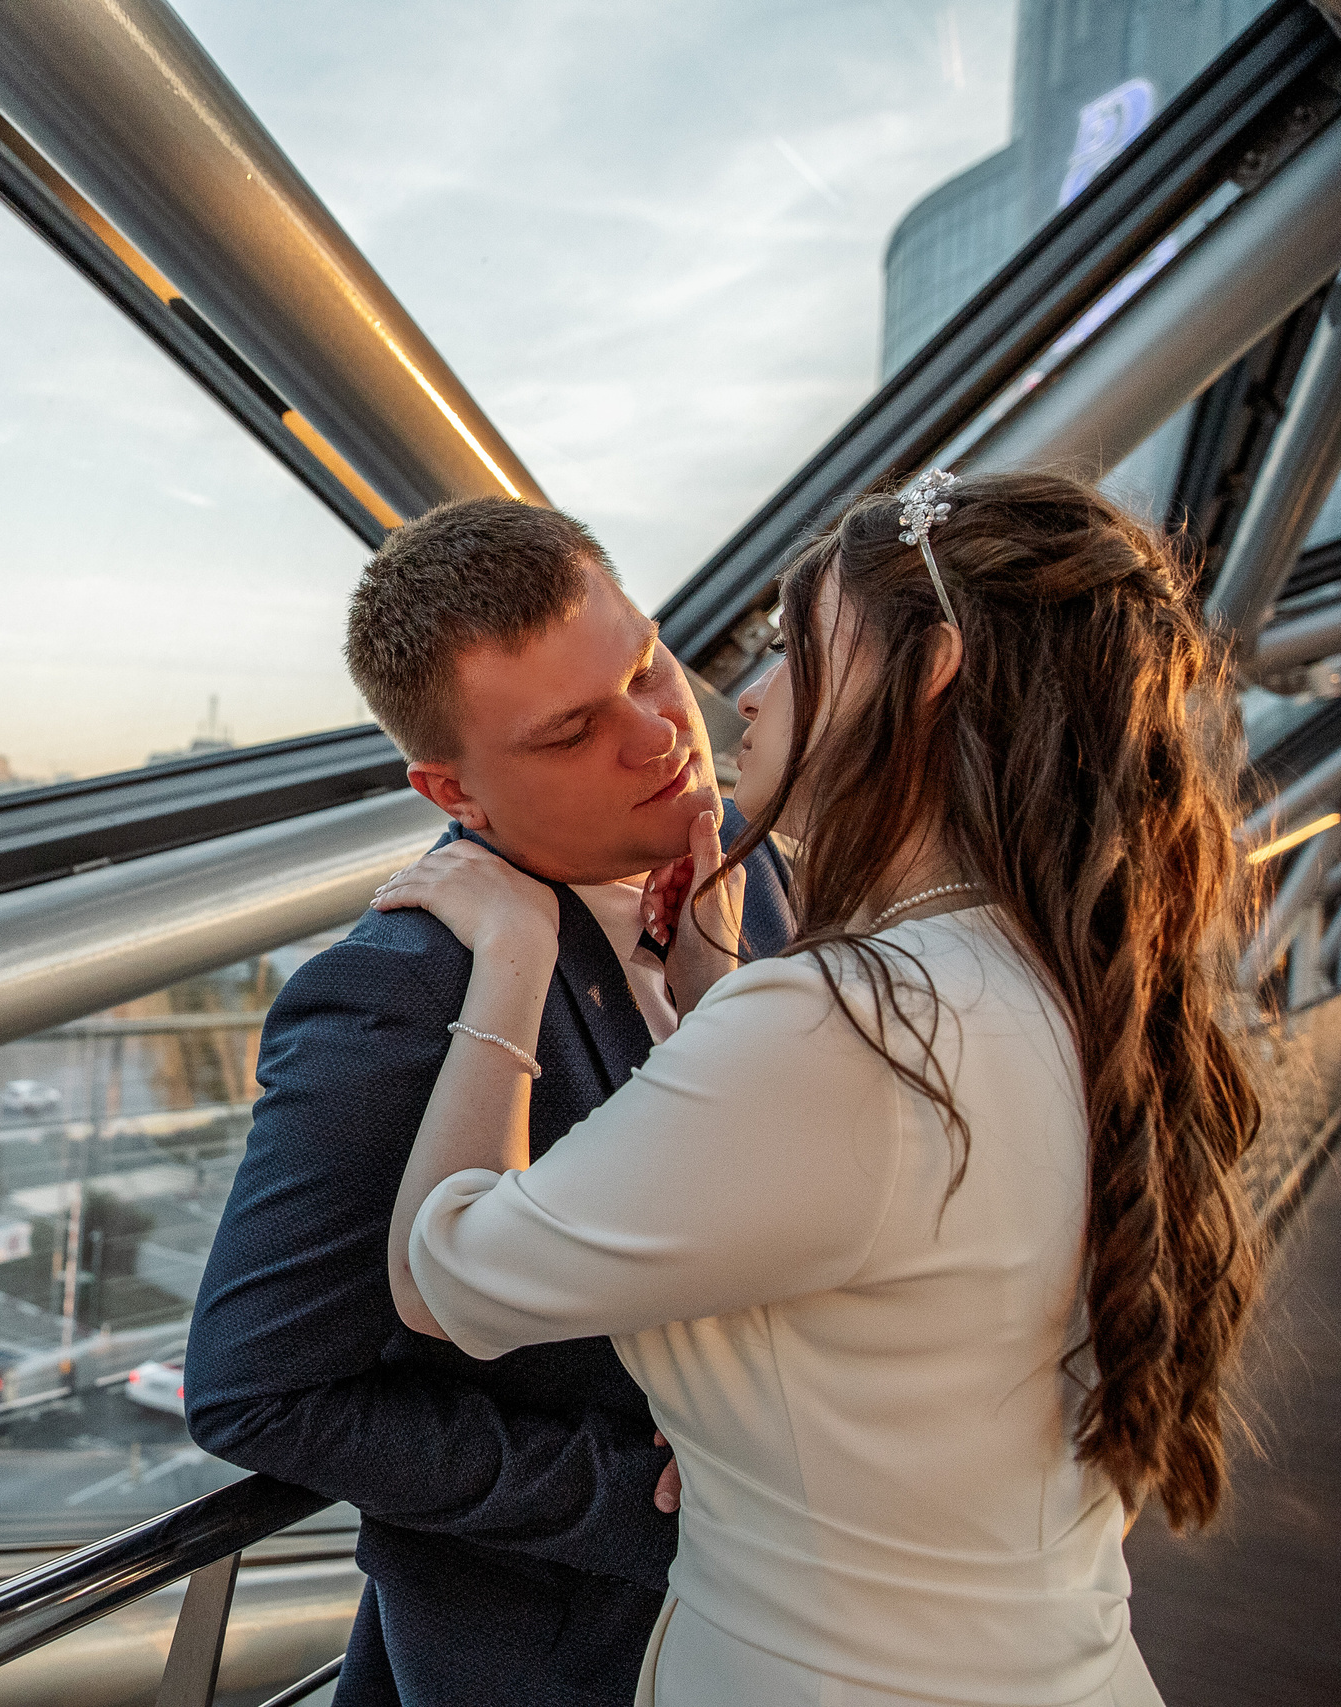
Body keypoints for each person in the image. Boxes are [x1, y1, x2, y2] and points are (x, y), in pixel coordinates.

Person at [377, 469, 1260, 1705]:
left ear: (933, 671)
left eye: (798, 648)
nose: (740, 691)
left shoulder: (846, 1024)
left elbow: (439, 1275)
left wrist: (513, 955)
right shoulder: (1080, 977)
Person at [185, 497, 796, 1707]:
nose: (657, 735)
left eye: (645, 665)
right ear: (451, 793)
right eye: (571, 731)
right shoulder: (394, 997)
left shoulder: (745, 851)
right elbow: (258, 1388)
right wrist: (641, 1493)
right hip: (573, 1656)